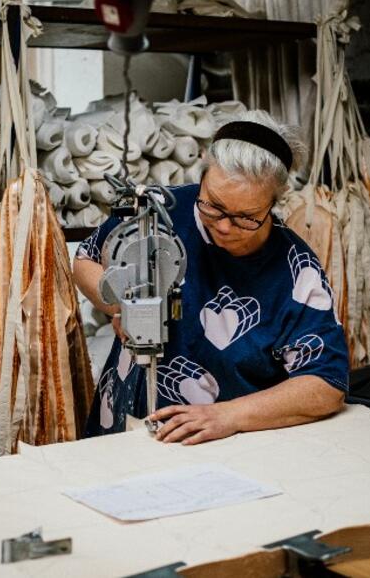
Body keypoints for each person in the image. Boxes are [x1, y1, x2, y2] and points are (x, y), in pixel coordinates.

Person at [73, 111, 349, 445]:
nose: (223, 227)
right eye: (213, 206)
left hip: (221, 444)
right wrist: (121, 306)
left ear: (275, 201)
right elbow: (86, 259)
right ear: (204, 172)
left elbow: (326, 383)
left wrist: (229, 415)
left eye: (246, 217)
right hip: (120, 419)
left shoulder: (296, 271)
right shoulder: (158, 212)